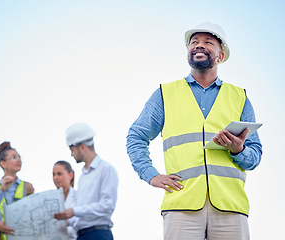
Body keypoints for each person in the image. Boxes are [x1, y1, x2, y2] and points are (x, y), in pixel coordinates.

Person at [126, 22, 262, 240]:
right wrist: (150, 174)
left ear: (221, 55)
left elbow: (254, 157)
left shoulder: (240, 98)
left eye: (208, 42)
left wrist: (239, 150)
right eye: (194, 42)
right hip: (181, 205)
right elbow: (136, 136)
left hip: (231, 207)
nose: (199, 46)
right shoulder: (165, 94)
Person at [54, 123, 118, 240]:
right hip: (82, 235)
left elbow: (107, 206)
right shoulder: (83, 177)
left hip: (98, 235)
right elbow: (82, 215)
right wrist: (66, 220)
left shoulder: (106, 169)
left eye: (72, 150)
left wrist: (74, 211)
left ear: (83, 148)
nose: (71, 154)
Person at [0, 141, 34, 206]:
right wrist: (1, 191)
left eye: (19, 157)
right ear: (3, 163)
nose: (19, 160)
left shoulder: (27, 186)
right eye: (14, 157)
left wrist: (32, 196)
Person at [53, 160, 77, 240]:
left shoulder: (79, 197)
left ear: (71, 175)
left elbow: (81, 225)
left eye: (59, 174)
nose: (55, 178)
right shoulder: (50, 199)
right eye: (53, 174)